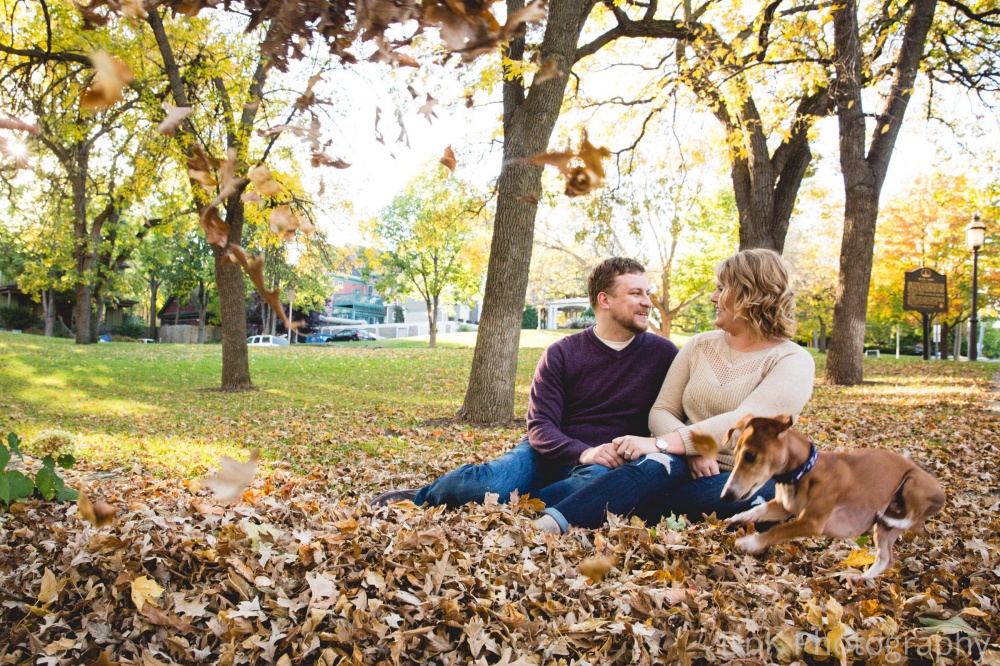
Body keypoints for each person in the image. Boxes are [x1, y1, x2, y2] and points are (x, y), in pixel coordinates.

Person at [535, 248, 815, 533]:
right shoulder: (700, 345)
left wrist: (664, 443)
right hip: (678, 460)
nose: (713, 298)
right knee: (655, 466)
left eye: (721, 289)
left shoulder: (792, 360)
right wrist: (689, 450)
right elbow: (662, 410)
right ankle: (553, 521)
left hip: (744, 473)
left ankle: (584, 504)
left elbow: (748, 423)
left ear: (750, 294)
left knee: (751, 499)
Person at [370, 257, 679, 509]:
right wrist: (584, 452)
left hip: (606, 465)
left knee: (594, 487)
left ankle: (521, 506)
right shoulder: (563, 353)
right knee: (486, 485)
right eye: (636, 293)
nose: (647, 302)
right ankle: (423, 497)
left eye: (647, 293)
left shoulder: (663, 354)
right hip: (546, 454)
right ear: (605, 300)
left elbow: (682, 416)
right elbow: (540, 429)